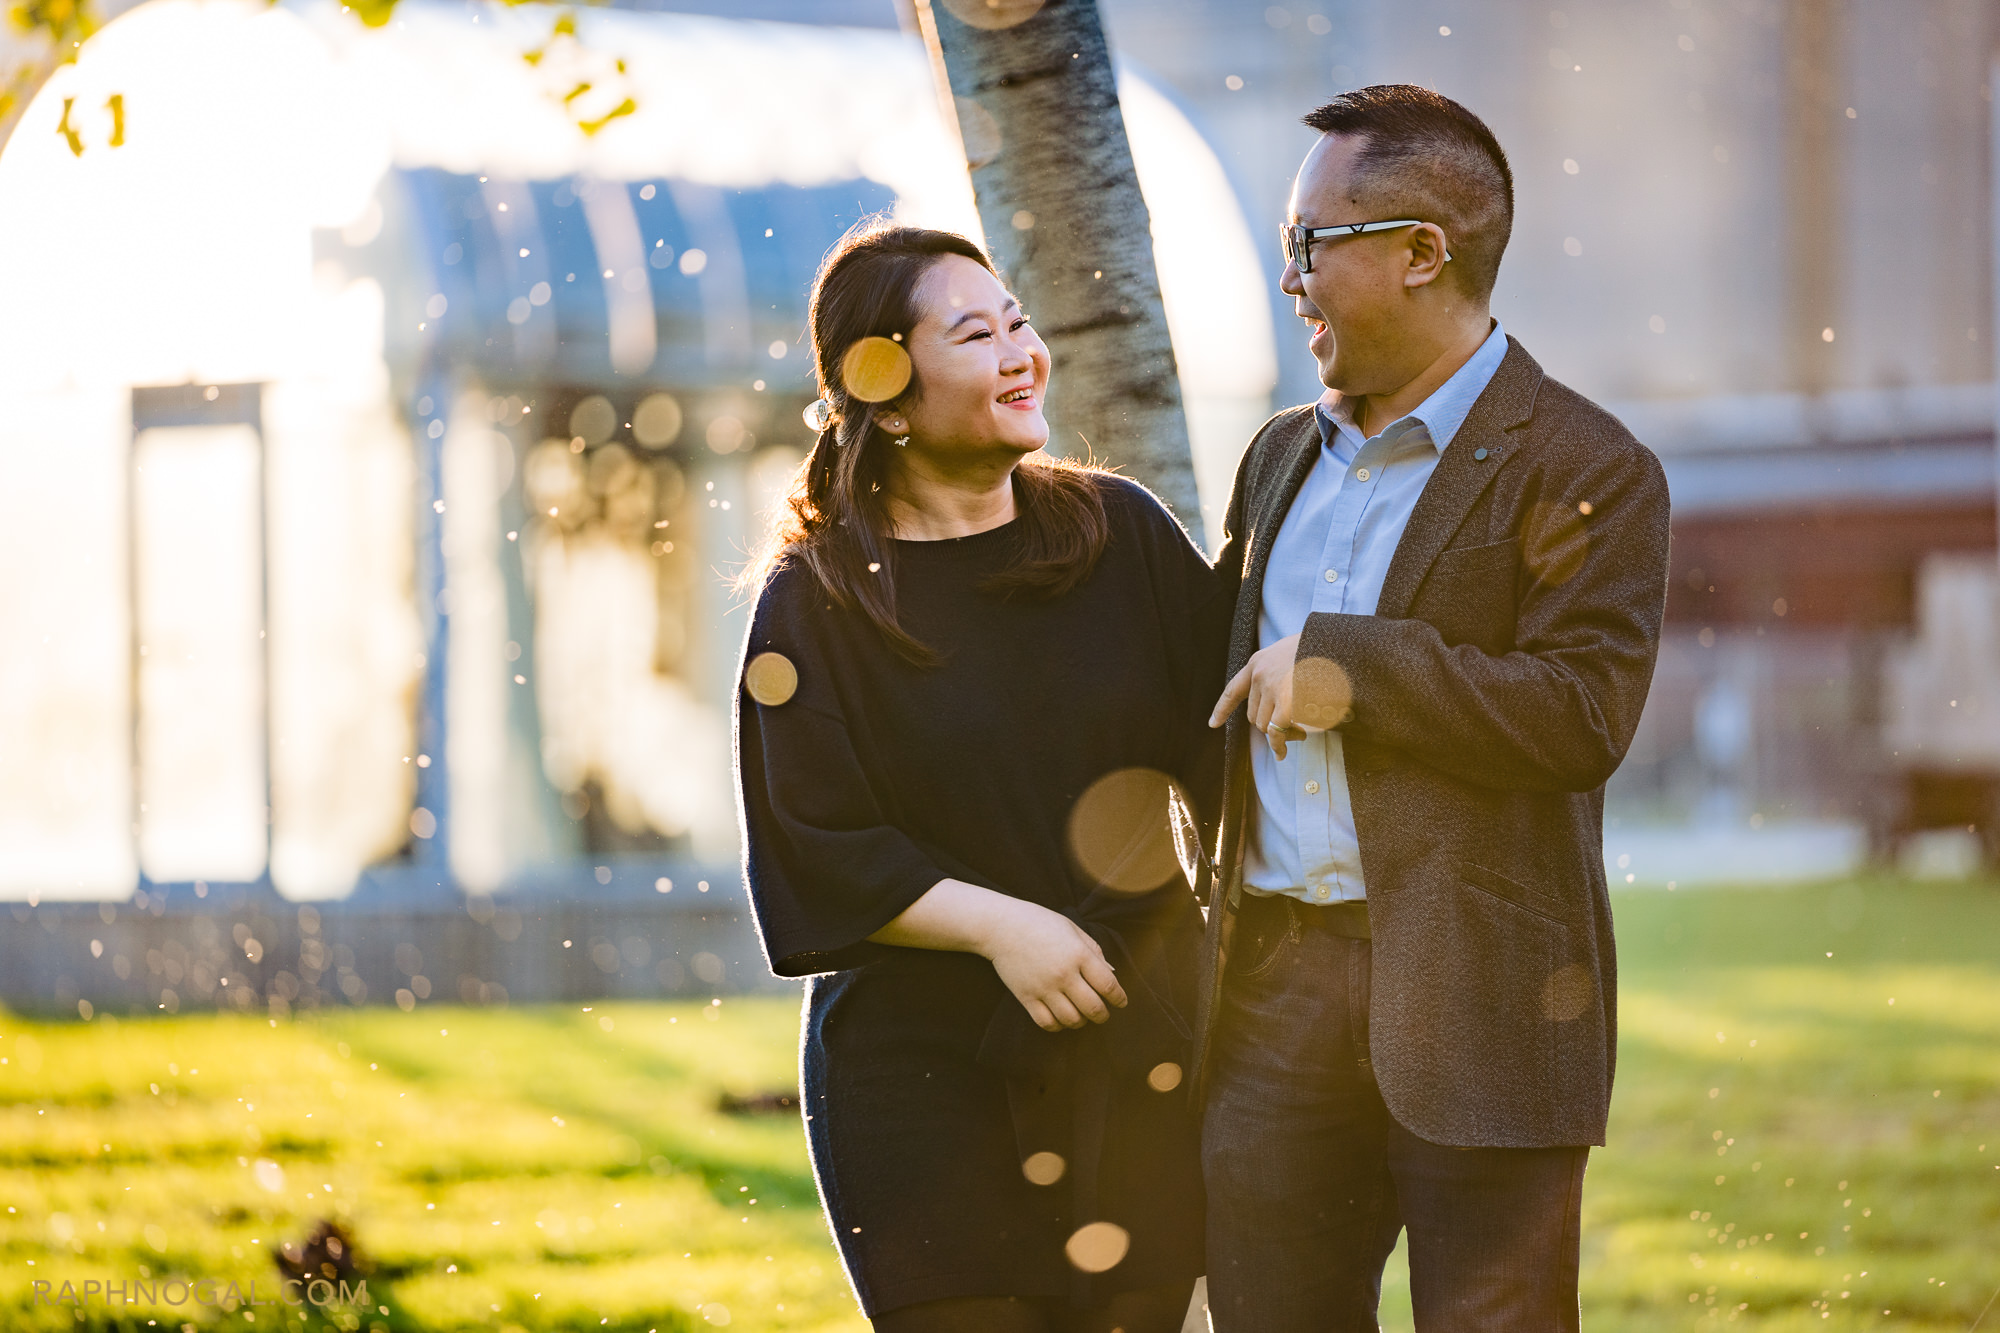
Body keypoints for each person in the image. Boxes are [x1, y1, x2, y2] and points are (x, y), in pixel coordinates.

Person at [1197, 86, 1672, 1331]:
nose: (1288, 277)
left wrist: (1349, 668)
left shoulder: (1588, 465)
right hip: (1271, 999)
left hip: (1488, 1002)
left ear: (1420, 252)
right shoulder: (1272, 455)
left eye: (1310, 241)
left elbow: (1580, 715)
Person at [734, 222, 1219, 1333]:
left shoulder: (1120, 536)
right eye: (976, 333)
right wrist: (1008, 929)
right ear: (886, 392)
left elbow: (1231, 763)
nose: (1020, 353)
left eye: (1018, 324)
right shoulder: (818, 602)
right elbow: (815, 839)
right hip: (917, 1082)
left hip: (1138, 1049)